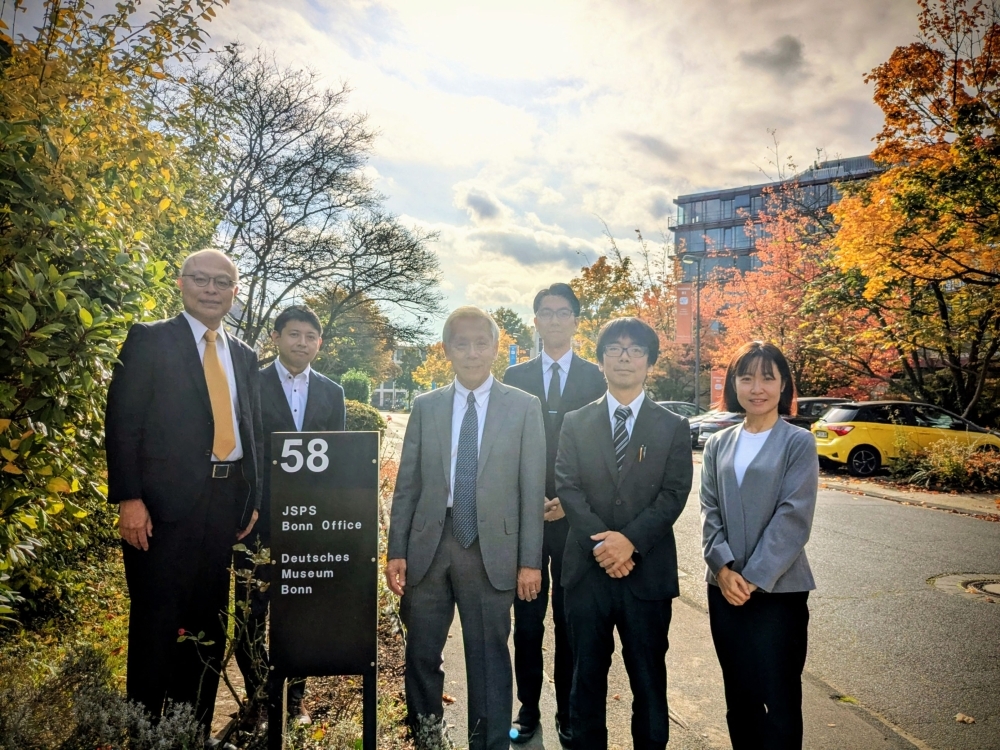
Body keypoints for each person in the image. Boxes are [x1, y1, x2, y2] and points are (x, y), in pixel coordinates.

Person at [105, 249, 263, 735]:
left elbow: (251, 428)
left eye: (222, 282)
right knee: (157, 621)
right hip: (161, 509)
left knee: (208, 623)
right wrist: (130, 499)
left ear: (235, 292)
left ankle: (192, 731)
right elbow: (122, 423)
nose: (211, 289)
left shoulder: (244, 354)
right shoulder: (150, 339)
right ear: (181, 282)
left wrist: (252, 498)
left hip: (224, 506)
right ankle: (145, 733)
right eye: (201, 279)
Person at [385, 306, 546, 750]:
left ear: (495, 348)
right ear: (447, 350)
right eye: (462, 343)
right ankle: (428, 737)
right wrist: (396, 549)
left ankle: (489, 743)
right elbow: (407, 484)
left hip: (491, 549)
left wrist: (530, 561)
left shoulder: (524, 407)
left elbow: (531, 489)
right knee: (421, 652)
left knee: (489, 657)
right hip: (429, 545)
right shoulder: (426, 406)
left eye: (481, 343)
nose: (472, 352)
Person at [556, 317, 692, 750]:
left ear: (649, 361)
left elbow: (674, 493)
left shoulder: (672, 425)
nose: (625, 357)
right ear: (600, 361)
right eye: (614, 349)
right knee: (585, 679)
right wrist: (604, 543)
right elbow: (568, 487)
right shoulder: (576, 421)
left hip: (646, 575)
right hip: (587, 573)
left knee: (649, 682)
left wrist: (629, 542)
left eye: (636, 350)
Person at [699, 341, 818, 750]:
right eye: (746, 377)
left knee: (780, 698)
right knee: (740, 697)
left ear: (783, 384)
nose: (757, 387)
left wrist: (751, 577)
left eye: (768, 377)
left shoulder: (798, 442)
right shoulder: (718, 443)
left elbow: (794, 516)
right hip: (724, 590)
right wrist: (722, 568)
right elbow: (709, 510)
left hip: (779, 592)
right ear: (734, 384)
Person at [503, 283, 606, 747]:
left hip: (575, 519)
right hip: (526, 519)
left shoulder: (596, 377)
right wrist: (529, 500)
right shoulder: (515, 376)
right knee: (527, 623)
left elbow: (602, 450)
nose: (555, 320)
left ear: (576, 321)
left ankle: (567, 709)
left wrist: (569, 499)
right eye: (546, 312)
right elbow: (504, 447)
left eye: (564, 312)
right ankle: (528, 708)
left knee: (570, 623)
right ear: (536, 321)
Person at [234, 305, 345, 728]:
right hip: (256, 520)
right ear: (276, 337)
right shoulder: (251, 385)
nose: (302, 342)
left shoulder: (332, 393)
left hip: (310, 524)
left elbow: (335, 460)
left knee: (301, 613)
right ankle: (261, 698)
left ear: (320, 343)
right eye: (294, 334)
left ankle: (295, 700)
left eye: (310, 336)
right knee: (250, 613)